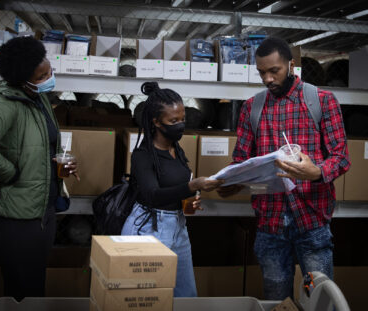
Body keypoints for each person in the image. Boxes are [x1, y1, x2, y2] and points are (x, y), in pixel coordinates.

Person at [217, 37, 350, 300]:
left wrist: (317, 172)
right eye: (261, 72)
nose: (267, 79)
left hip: (312, 220)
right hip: (270, 223)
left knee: (320, 300)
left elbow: (341, 157)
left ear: (291, 65)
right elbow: (241, 160)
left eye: (273, 71)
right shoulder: (252, 108)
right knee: (277, 301)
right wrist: (229, 181)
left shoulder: (321, 101)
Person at [0, 36, 79, 301]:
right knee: (23, 291)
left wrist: (56, 161)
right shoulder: (3, 103)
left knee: (33, 287)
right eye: (42, 76)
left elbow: (41, 143)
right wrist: (9, 173)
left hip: (41, 209)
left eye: (49, 70)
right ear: (22, 79)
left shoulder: (38, 99)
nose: (50, 77)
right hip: (17, 216)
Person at [121, 82, 224, 297]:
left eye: (182, 119)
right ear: (156, 122)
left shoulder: (177, 149)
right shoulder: (143, 155)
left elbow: (178, 186)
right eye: (173, 121)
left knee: (186, 295)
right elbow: (153, 195)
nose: (180, 125)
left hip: (178, 226)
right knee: (149, 298)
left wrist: (191, 198)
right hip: (149, 227)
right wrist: (192, 186)